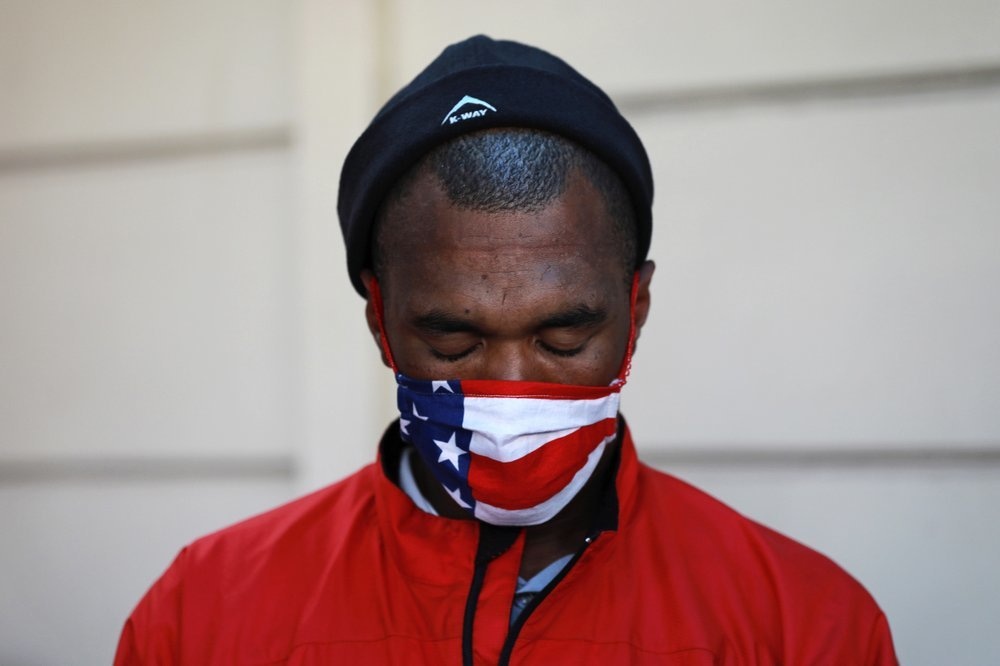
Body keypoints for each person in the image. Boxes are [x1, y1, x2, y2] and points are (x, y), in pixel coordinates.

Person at [115, 35, 898, 665]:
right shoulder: (203, 614)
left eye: (564, 337)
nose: (510, 388)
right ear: (380, 318)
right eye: (453, 340)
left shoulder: (804, 627)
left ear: (637, 308)